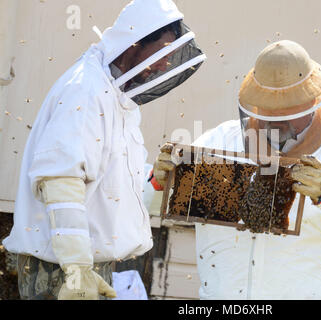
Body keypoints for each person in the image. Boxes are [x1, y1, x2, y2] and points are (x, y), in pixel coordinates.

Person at [152, 40, 321, 299]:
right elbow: (149, 208)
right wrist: (158, 183)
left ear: (314, 101)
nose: (278, 122)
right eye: (270, 112)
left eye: (288, 111)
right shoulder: (217, 142)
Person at [2, 0, 205, 300]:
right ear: (134, 43)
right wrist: (76, 268)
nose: (165, 63)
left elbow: (113, 187)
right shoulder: (86, 89)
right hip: (59, 268)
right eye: (162, 51)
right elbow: (60, 180)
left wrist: (154, 180)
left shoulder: (116, 97)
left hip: (87, 263)